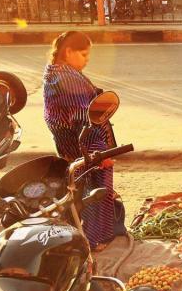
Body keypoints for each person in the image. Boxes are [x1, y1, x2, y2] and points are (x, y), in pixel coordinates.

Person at [43, 31, 122, 250]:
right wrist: (99, 155)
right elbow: (83, 123)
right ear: (68, 52)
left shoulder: (53, 71)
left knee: (77, 192)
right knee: (95, 192)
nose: (87, 60)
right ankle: (95, 240)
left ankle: (80, 235)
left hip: (70, 149)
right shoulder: (68, 79)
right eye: (84, 55)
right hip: (85, 150)